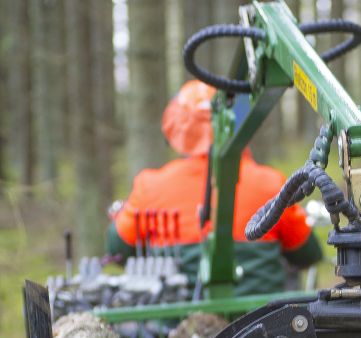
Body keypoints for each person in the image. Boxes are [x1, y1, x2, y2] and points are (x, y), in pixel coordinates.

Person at [108, 80, 323, 294]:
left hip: (172, 327)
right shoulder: (271, 185)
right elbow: (307, 253)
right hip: (262, 323)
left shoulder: (150, 187)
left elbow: (117, 251)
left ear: (177, 128)